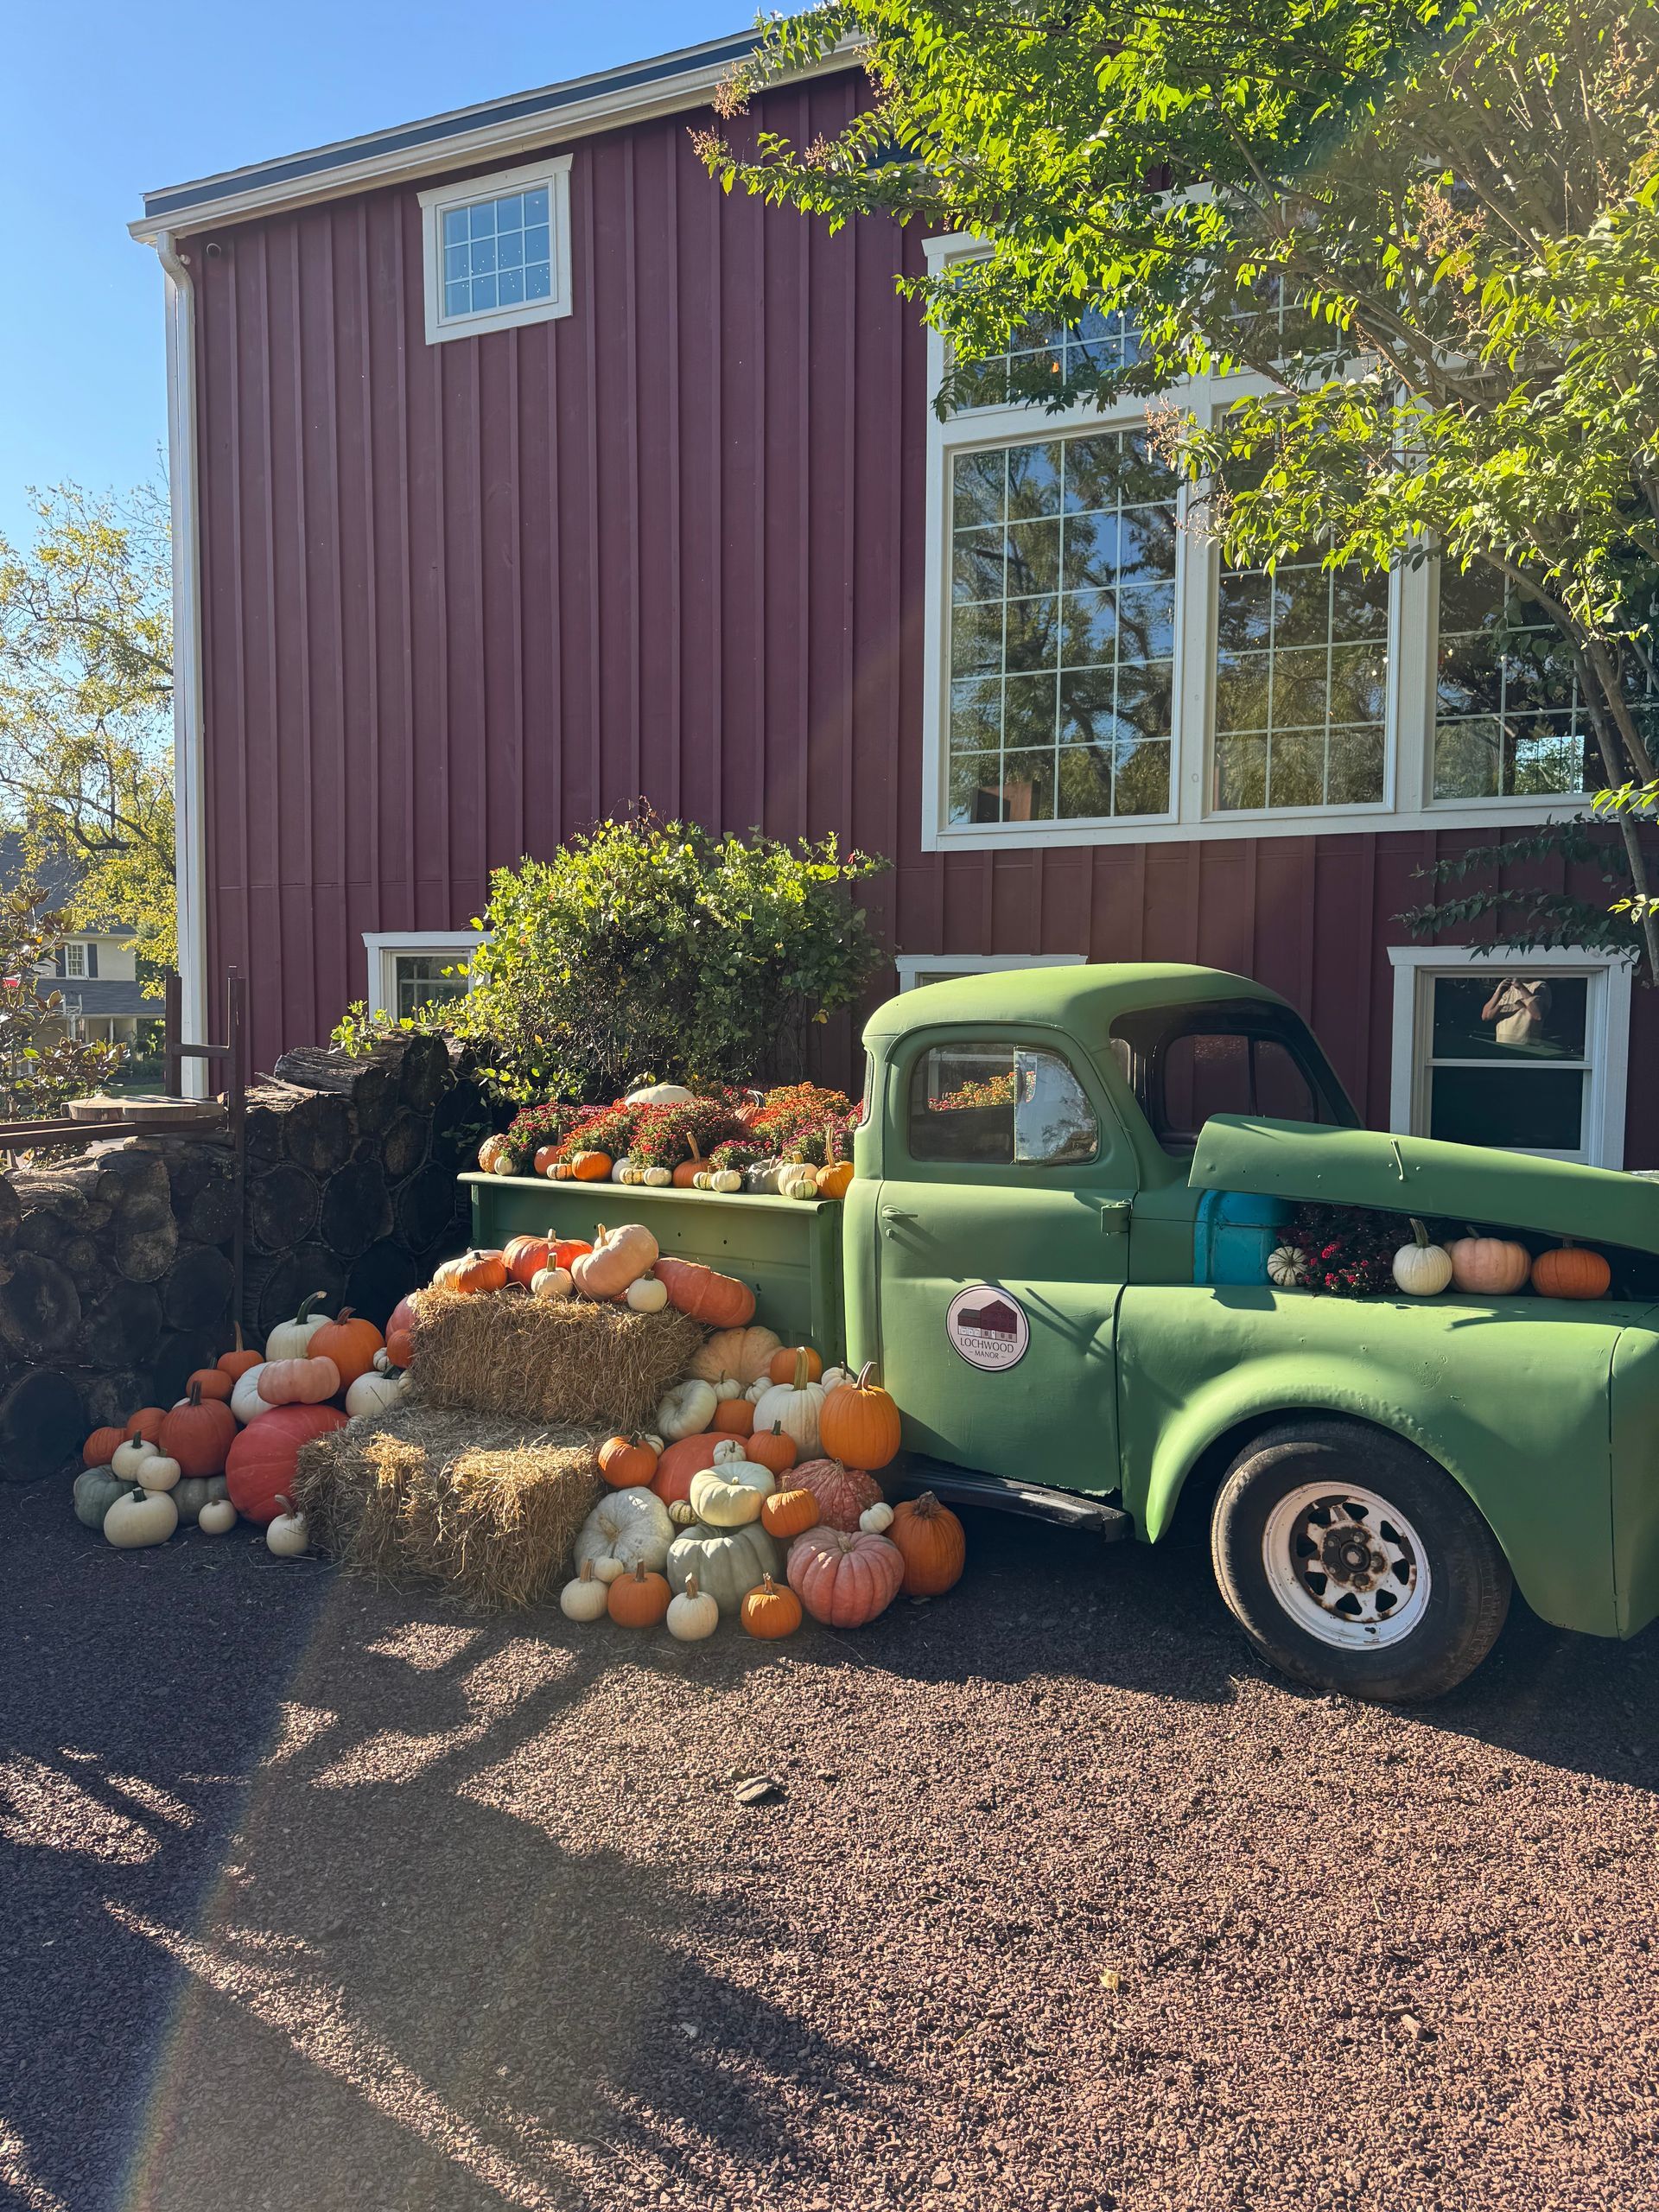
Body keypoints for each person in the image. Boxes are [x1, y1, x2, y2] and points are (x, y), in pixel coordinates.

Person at [1481, 974, 1552, 1048]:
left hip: (1526, 1048)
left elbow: (1538, 1015)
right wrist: (1499, 993)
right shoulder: (1505, 985)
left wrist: (1521, 987)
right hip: (1502, 1046)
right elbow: (1485, 1016)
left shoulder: (1540, 986)